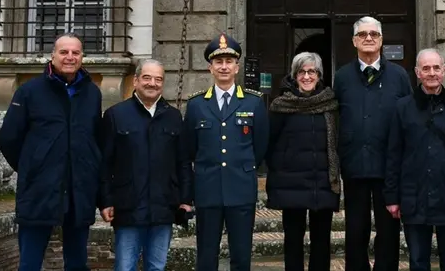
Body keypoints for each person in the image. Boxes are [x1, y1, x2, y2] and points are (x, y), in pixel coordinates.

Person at [0, 32, 104, 271]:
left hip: (79, 190)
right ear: (53, 55)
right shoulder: (30, 91)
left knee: (77, 263)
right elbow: (8, 138)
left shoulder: (92, 93)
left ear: (82, 57)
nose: (69, 57)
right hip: (39, 189)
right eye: (64, 52)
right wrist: (32, 166)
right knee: (30, 263)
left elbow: (95, 138)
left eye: (75, 53)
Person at [384, 49, 445, 271]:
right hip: (414, 196)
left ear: (444, 71)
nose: (431, 73)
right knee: (418, 262)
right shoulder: (402, 107)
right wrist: (392, 197)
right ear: (417, 72)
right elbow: (393, 155)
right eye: (426, 68)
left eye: (436, 68)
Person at [181, 33, 269, 271]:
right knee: (206, 255)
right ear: (210, 68)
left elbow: (260, 146)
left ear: (237, 66)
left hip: (241, 189)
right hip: (207, 190)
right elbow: (190, 148)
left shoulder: (253, 103)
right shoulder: (197, 104)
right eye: (218, 62)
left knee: (241, 255)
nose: (224, 67)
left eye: (229, 61)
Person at [333, 16, 412, 271]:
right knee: (355, 228)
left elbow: (409, 118)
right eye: (363, 34)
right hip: (354, 163)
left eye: (374, 35)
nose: (369, 38)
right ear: (355, 41)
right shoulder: (342, 77)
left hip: (389, 165)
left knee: (388, 228)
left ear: (381, 40)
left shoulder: (399, 76)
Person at [99, 58, 188, 271]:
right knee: (125, 267)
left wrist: (185, 198)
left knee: (157, 267)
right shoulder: (115, 115)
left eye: (158, 79)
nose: (152, 83)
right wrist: (105, 200)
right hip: (127, 206)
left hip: (163, 206)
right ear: (136, 81)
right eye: (147, 78)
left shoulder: (174, 117)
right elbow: (104, 164)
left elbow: (183, 162)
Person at [266, 52, 341, 271]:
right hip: (291, 184)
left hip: (323, 183)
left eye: (312, 72)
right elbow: (270, 143)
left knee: (321, 243)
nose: (307, 77)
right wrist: (281, 168)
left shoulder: (330, 104)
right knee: (293, 242)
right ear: (294, 75)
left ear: (319, 76)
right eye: (302, 72)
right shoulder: (281, 106)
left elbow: (337, 140)